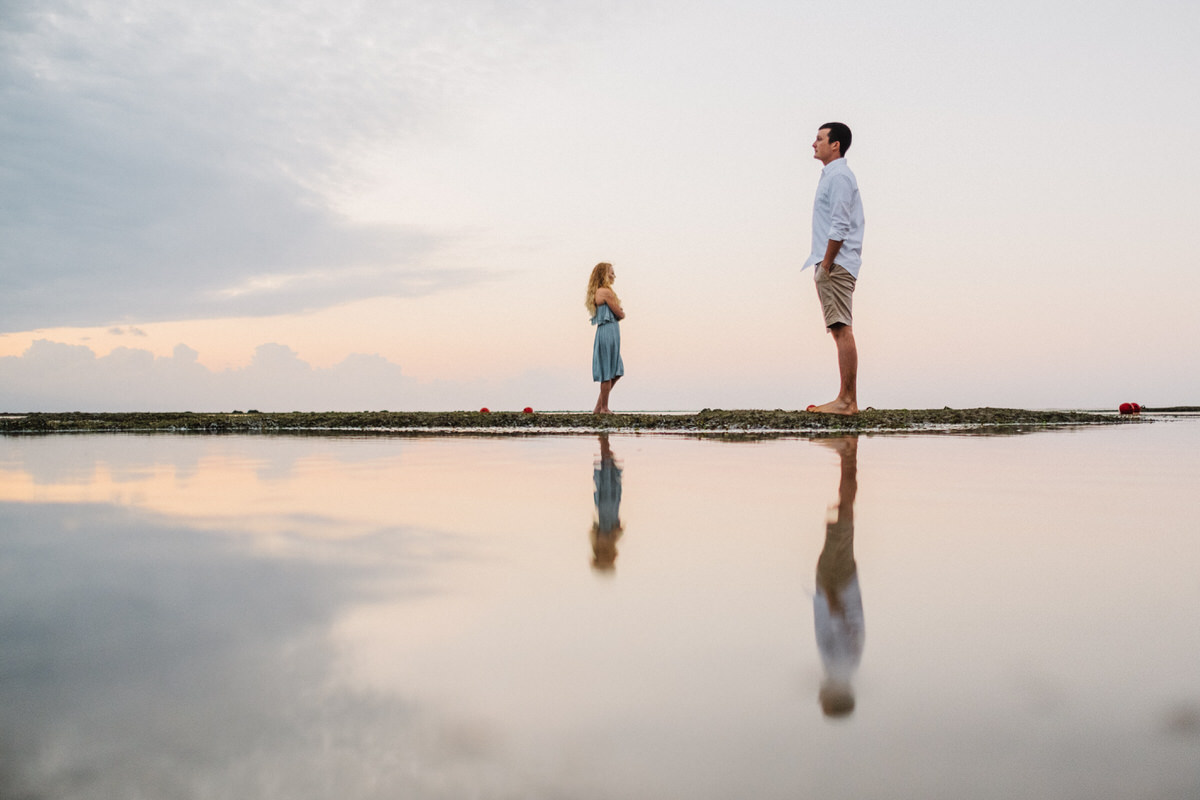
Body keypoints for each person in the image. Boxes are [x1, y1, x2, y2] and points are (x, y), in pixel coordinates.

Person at [803, 122, 865, 415]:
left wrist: (827, 263)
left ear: (835, 144)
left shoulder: (839, 176)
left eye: (819, 139)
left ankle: (847, 400)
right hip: (835, 260)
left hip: (836, 262)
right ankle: (845, 398)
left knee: (841, 328)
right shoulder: (833, 175)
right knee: (839, 327)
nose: (814, 144)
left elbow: (840, 223)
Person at [812, 436, 864, 717]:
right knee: (844, 517)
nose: (819, 699)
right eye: (825, 703)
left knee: (844, 518)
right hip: (837, 583)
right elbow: (841, 627)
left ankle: (848, 458)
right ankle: (848, 455)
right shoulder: (841, 667)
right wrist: (830, 593)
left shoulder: (845, 668)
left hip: (836, 583)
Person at [586, 261, 625, 414]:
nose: (613, 275)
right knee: (608, 370)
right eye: (611, 272)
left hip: (608, 331)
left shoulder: (598, 292)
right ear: (604, 274)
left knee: (616, 370)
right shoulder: (606, 292)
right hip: (608, 331)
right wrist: (621, 312)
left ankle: (599, 407)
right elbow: (619, 313)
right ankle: (604, 407)